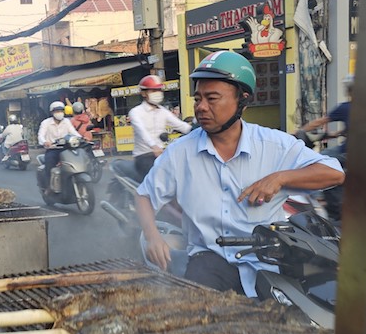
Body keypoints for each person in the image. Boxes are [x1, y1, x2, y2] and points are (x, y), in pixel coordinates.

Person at [136, 51, 344, 296]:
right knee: (196, 321)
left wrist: (280, 178)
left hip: (268, 262)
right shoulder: (180, 153)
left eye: (212, 99)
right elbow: (144, 196)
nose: (201, 107)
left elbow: (335, 173)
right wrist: (152, 236)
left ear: (242, 100)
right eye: (198, 98)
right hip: (208, 259)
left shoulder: (274, 145)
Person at [129, 74, 192, 182]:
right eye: (153, 91)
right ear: (144, 93)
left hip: (161, 155)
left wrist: (199, 130)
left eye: (159, 90)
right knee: (157, 184)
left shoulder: (163, 111)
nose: (157, 93)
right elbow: (142, 131)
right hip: (144, 156)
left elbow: (181, 125)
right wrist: (153, 146)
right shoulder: (135, 112)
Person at [300, 74, 353, 157]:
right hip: (365, 151)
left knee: (320, 159)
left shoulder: (345, 107)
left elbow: (319, 122)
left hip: (347, 151)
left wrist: (300, 131)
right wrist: (338, 133)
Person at [39, 100, 81, 186]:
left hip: (66, 149)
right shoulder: (46, 123)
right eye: (57, 111)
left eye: (61, 111)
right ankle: (49, 187)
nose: (59, 113)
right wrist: (45, 142)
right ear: (52, 112)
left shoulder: (66, 121)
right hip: (53, 149)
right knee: (49, 165)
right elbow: (40, 136)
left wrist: (81, 138)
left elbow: (73, 132)